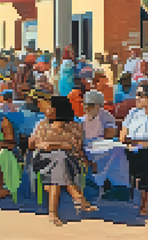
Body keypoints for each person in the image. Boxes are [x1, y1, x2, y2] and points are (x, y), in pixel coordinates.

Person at [29, 95, 96, 226]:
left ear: (57, 110)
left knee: (59, 160)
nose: (46, 111)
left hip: (68, 161)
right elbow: (33, 145)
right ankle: (77, 195)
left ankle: (53, 213)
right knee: (59, 158)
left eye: (49, 108)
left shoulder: (74, 126)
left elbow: (75, 147)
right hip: (43, 160)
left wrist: (52, 146)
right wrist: (60, 145)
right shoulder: (42, 124)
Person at [80, 90, 130, 201]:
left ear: (98, 106)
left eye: (90, 105)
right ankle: (97, 183)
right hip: (87, 147)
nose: (87, 108)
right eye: (85, 104)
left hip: (102, 144)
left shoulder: (106, 116)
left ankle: (119, 186)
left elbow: (110, 134)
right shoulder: (80, 119)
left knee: (118, 152)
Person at [120, 83, 148, 216]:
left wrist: (137, 141)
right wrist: (137, 142)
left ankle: (143, 204)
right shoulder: (133, 113)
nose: (136, 98)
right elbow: (122, 136)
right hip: (131, 149)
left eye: (140, 95)